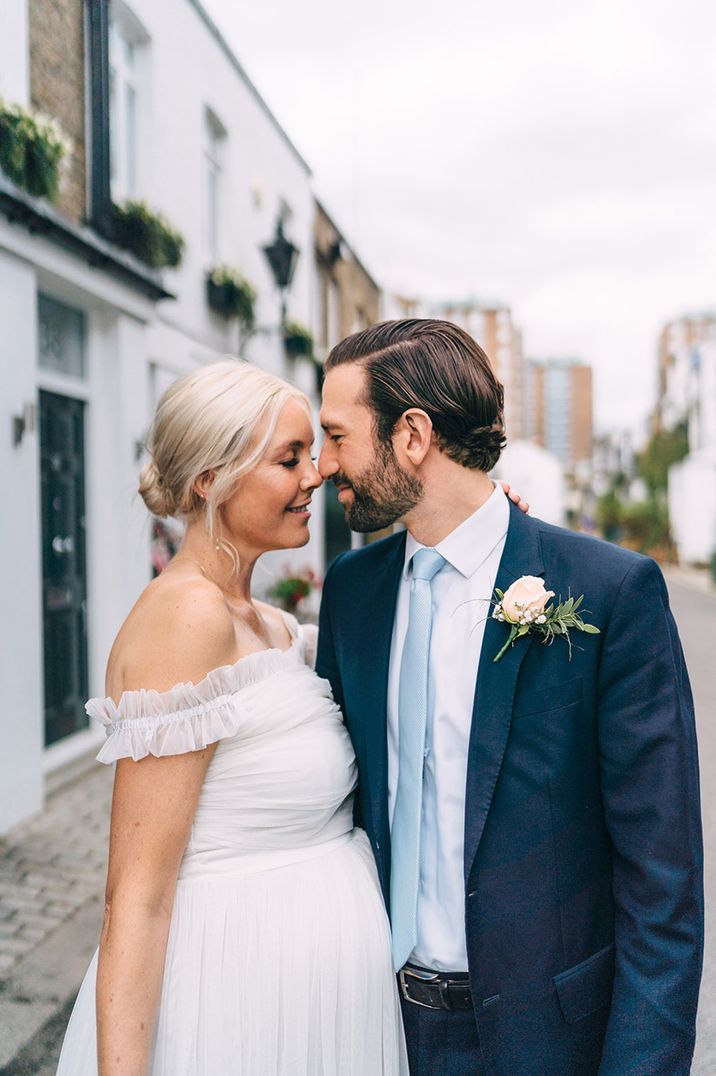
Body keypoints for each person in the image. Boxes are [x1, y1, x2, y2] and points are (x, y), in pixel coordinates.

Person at [315, 319, 703, 1076]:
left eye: (336, 435)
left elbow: (663, 884)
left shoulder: (608, 591)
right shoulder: (351, 594)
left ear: (413, 435)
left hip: (547, 1039)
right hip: (372, 1031)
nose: (326, 465)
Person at [56, 360, 409, 1075]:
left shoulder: (273, 625)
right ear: (208, 480)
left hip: (317, 1018)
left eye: (312, 452)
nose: (315, 476)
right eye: (290, 458)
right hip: (234, 1006)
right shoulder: (185, 618)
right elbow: (138, 897)